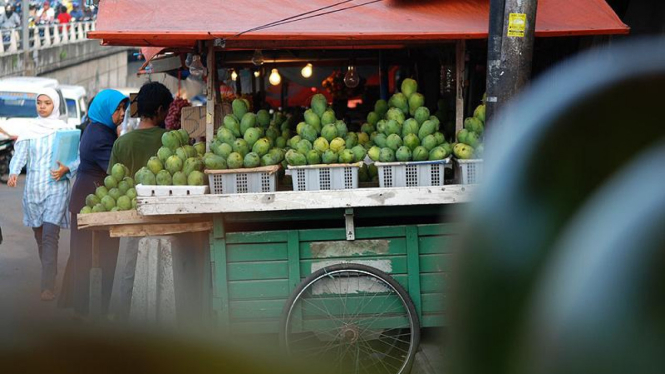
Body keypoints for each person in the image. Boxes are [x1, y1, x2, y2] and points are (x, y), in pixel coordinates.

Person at [58, 89, 128, 317]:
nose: (122, 113)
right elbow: (114, 169)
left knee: (82, 252)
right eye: (117, 109)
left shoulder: (99, 129)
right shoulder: (100, 135)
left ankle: (81, 304)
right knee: (89, 253)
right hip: (89, 196)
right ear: (105, 109)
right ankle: (88, 308)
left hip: (91, 196)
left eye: (123, 109)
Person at [7, 88, 78, 301]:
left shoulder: (65, 130)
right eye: (39, 102)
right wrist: (13, 172)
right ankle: (50, 270)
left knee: (49, 235)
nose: (42, 106)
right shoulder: (30, 130)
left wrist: (66, 169)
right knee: (39, 235)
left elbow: (77, 157)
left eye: (47, 103)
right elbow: (21, 154)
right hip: (33, 189)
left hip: (56, 188)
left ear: (55, 105)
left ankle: (47, 285)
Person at [111, 82, 173, 320]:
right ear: (159, 110)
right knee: (166, 267)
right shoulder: (171, 138)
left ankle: (125, 319)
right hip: (167, 215)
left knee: (129, 270)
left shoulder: (122, 143)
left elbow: (113, 185)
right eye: (167, 110)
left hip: (132, 215)